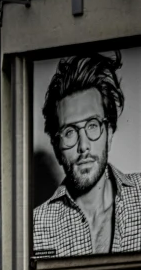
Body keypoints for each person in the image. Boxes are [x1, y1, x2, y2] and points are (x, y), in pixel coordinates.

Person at [33, 51, 141, 259]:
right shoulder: (37, 227)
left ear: (109, 133)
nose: (84, 146)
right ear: (56, 147)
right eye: (69, 132)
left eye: (92, 125)